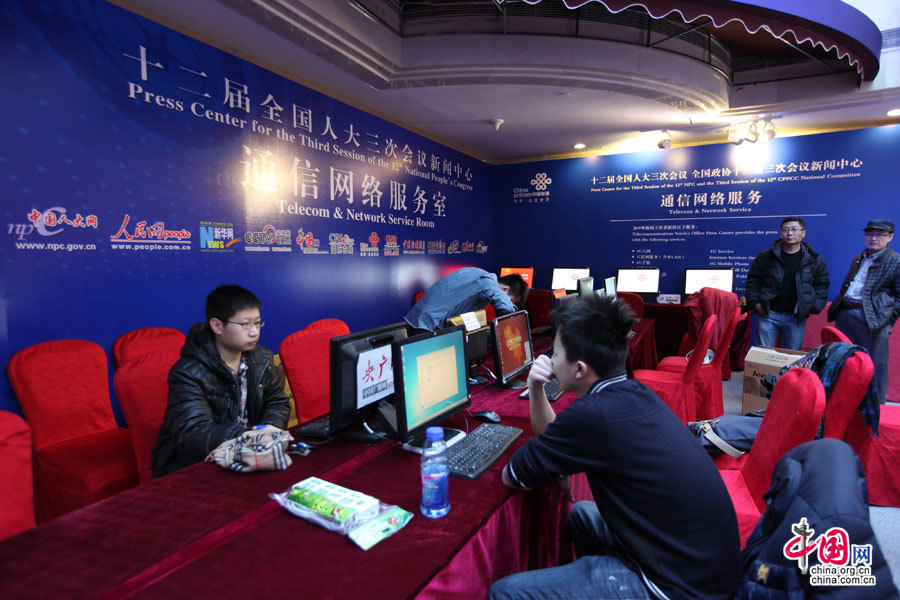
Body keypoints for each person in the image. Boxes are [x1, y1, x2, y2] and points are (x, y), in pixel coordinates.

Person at [488, 294, 741, 600]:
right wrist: (536, 388)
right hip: (706, 566)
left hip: (679, 587)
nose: (551, 360)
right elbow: (555, 441)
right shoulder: (635, 392)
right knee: (581, 515)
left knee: (504, 593)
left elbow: (514, 474)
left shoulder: (593, 415)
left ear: (579, 369)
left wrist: (551, 462)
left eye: (555, 352)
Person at [152, 285, 291, 477]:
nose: (254, 332)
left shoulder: (262, 358)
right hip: (198, 463)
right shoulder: (187, 372)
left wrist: (267, 430)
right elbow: (193, 433)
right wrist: (248, 436)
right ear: (217, 325)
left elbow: (277, 402)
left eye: (258, 323)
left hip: (248, 453)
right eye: (246, 324)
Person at [828, 219, 900, 403]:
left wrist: (886, 320)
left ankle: (875, 408)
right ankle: (843, 403)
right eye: (869, 234)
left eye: (879, 234)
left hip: (874, 320)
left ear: (890, 237)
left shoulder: (896, 261)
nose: (873, 238)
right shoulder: (858, 258)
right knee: (843, 361)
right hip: (846, 314)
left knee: (876, 365)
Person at [744, 217, 829, 350]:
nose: (789, 233)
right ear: (781, 233)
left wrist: (811, 308)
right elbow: (753, 280)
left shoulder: (813, 260)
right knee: (762, 355)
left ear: (803, 233)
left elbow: (822, 285)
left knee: (790, 357)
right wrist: (756, 303)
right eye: (785, 230)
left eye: (794, 229)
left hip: (795, 318)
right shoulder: (766, 257)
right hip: (768, 315)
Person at [404, 267, 527, 331]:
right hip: (425, 326)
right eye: (510, 299)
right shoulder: (486, 282)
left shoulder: (481, 277)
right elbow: (506, 307)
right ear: (505, 289)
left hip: (428, 323)